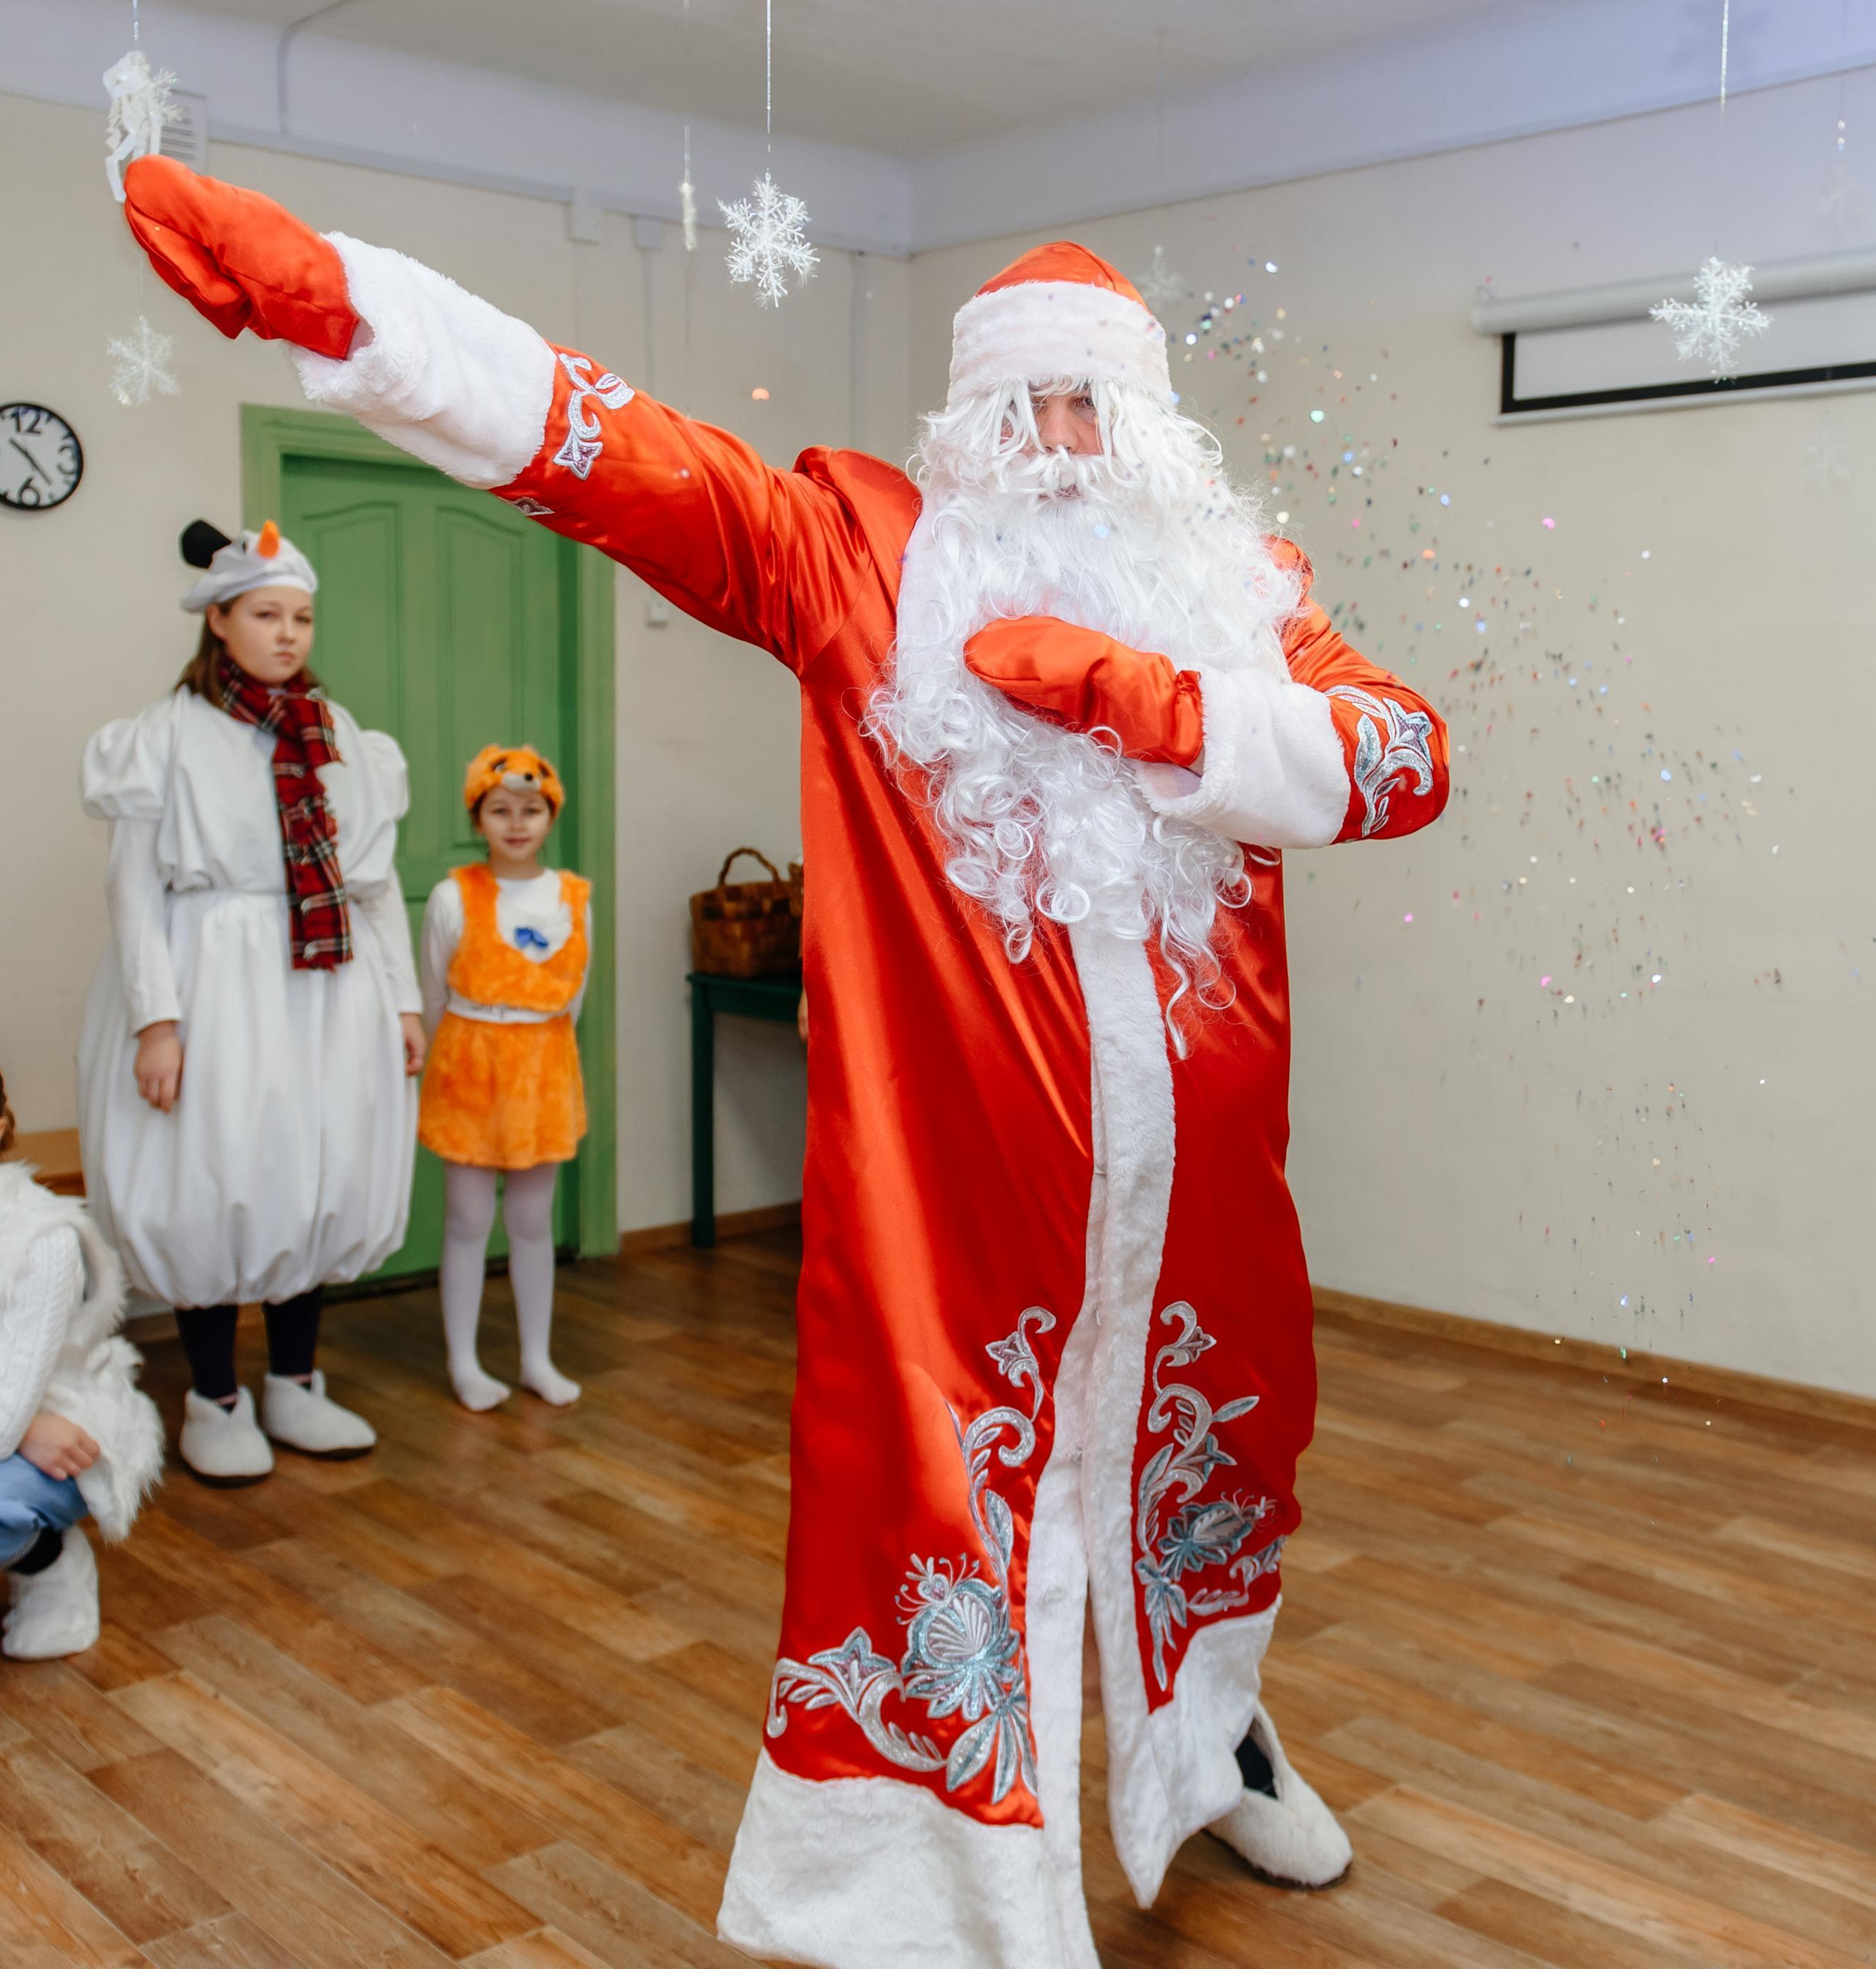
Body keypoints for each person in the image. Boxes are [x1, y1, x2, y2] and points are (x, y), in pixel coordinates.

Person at [118, 158, 1451, 1969]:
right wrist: (351, 307)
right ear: (969, 419)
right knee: (943, 1497)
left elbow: (1399, 754)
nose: (1057, 435)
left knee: (1209, 1455)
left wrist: (1163, 710)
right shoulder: (866, 558)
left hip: (1203, 1170)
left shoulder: (1240, 589)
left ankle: (1204, 1737)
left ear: (1145, 423)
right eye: (1022, 401)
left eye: (1090, 400)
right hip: (966, 1178)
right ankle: (942, 1892)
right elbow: (620, 449)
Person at [76, 518, 426, 1487]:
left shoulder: (340, 734)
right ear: (218, 620)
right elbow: (133, 889)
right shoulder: (165, 737)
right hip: (212, 977)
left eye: (302, 617)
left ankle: (296, 1383)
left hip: (324, 982)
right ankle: (213, 1396)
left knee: (308, 1167)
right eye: (266, 614)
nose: (288, 634)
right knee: (211, 1172)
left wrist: (401, 1001)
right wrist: (158, 1017)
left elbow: (372, 884)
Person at [0, 1044, 163, 1658]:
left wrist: (13, 1428)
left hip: (57, 1441)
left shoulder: (36, 1243)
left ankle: (48, 1559)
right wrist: (19, 1428)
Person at [418, 744, 591, 1411]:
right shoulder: (451, 896)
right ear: (477, 818)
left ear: (550, 817)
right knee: (466, 1219)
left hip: (542, 1076)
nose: (516, 824)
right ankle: (464, 1362)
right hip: (468, 1068)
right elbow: (435, 988)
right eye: (499, 811)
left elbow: (572, 998)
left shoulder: (572, 897)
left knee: (530, 1218)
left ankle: (535, 1359)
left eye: (530, 811)